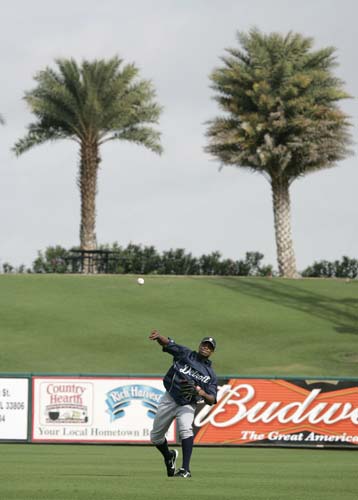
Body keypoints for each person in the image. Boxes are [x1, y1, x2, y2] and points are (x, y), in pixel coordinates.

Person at [149, 329, 218, 478]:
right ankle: (169, 456)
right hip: (170, 398)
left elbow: (212, 399)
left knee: (186, 430)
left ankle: (185, 469)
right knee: (155, 437)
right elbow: (169, 344)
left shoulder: (210, 374)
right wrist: (159, 337)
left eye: (210, 347)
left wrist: (203, 393)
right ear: (200, 345)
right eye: (204, 344)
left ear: (212, 352)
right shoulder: (185, 354)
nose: (206, 347)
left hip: (187, 403)